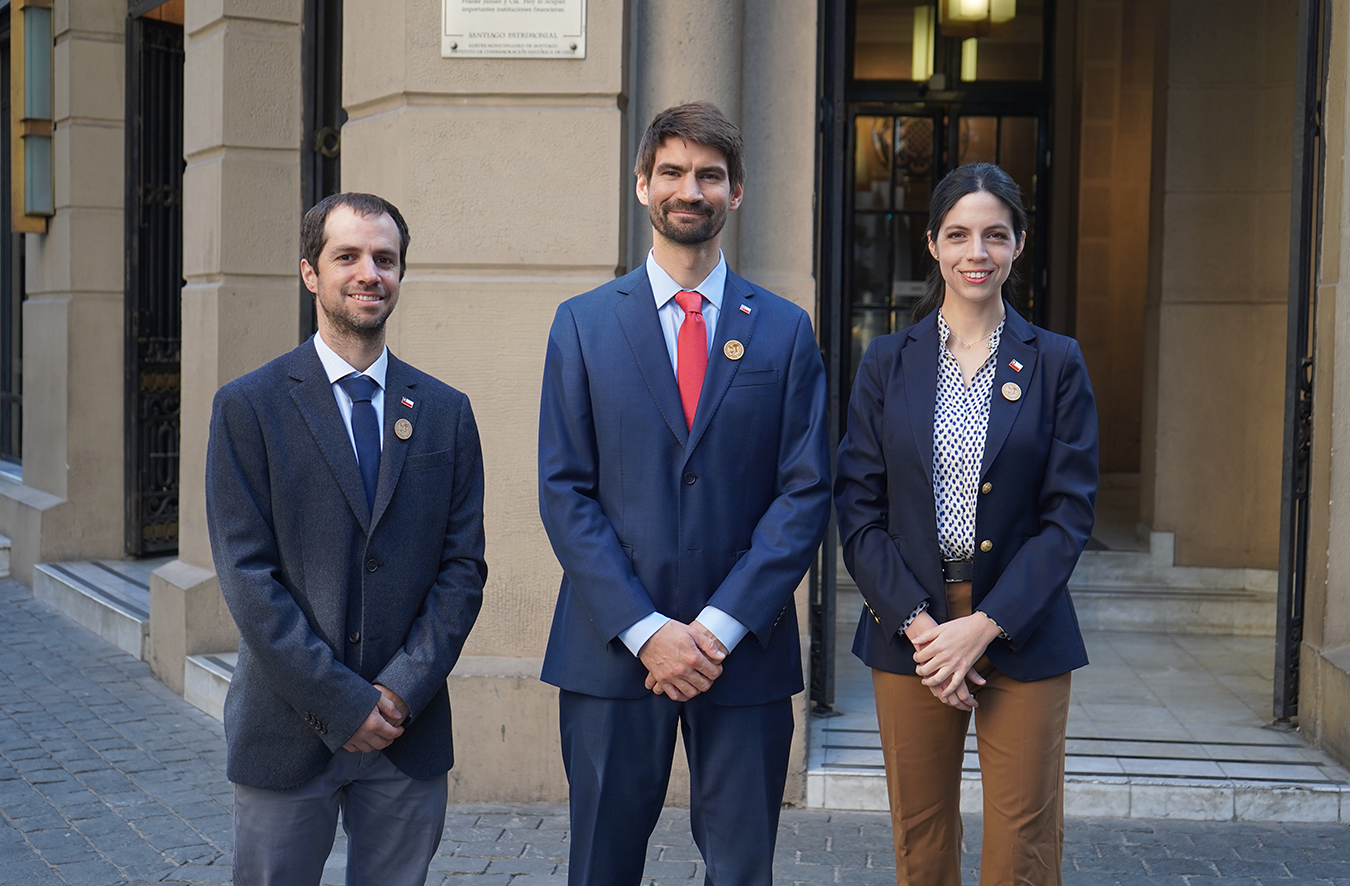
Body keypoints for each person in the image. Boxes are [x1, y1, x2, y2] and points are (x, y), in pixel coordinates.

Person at [537, 101, 831, 885]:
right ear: (642, 185)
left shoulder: (785, 330)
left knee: (741, 871)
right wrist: (646, 631)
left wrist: (717, 629)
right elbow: (565, 490)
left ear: (737, 191)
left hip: (744, 651)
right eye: (671, 172)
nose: (689, 189)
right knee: (601, 868)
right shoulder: (582, 325)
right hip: (613, 650)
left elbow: (805, 493)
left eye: (710, 175)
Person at [205, 192, 487, 886]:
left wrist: (399, 690)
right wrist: (342, 702)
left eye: (385, 259)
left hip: (406, 733)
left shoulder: (446, 412)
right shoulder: (249, 406)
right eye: (348, 257)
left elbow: (462, 570)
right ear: (311, 273)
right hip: (285, 731)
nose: (370, 273)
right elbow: (247, 577)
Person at [834, 162, 1098, 886]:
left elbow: (1068, 516)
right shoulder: (887, 362)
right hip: (911, 629)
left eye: (994, 235)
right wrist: (926, 632)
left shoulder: (1057, 363)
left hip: (1021, 624)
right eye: (958, 235)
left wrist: (983, 626)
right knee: (920, 843)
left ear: (1018, 243)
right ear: (932, 244)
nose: (975, 252)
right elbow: (859, 510)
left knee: (1023, 846)